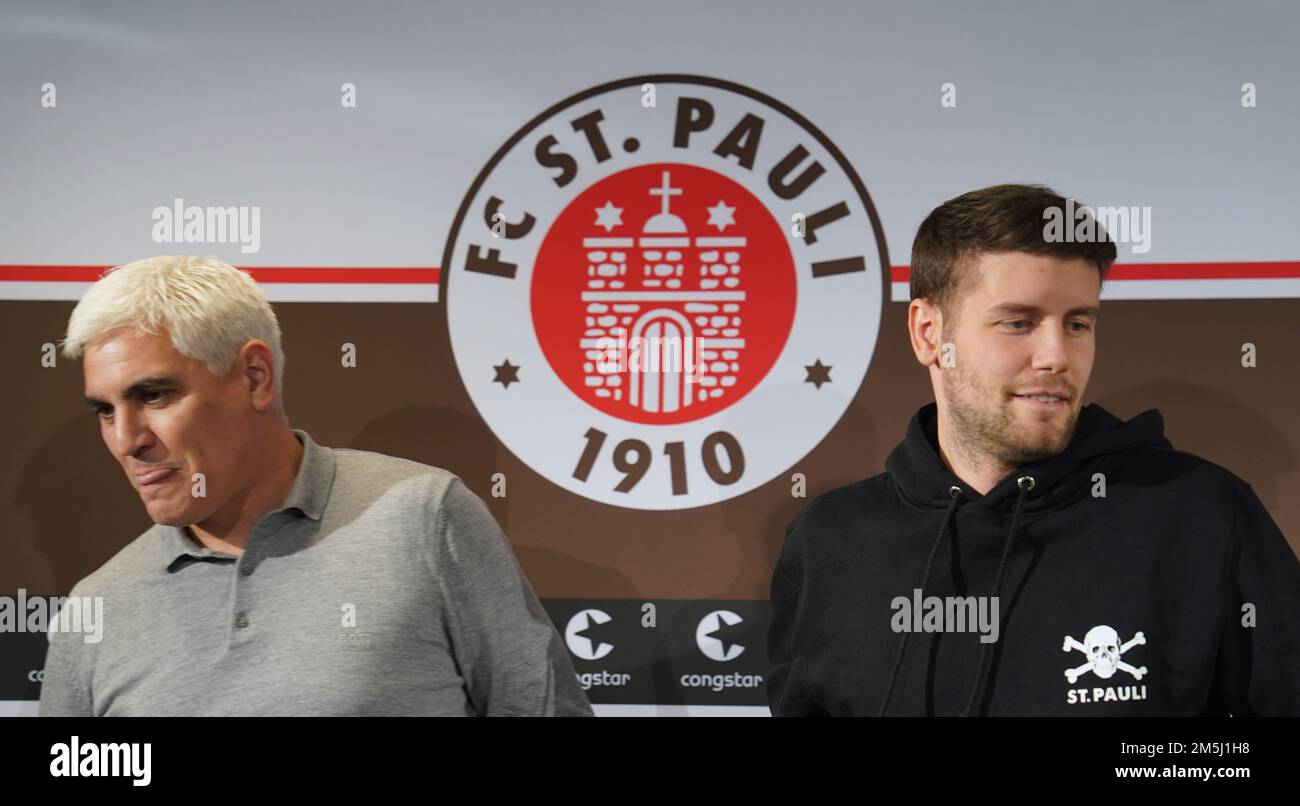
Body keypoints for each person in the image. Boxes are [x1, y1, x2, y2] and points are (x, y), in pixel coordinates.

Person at [767, 184, 1300, 716]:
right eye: (1018, 323)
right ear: (928, 332)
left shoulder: (1202, 514)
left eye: (1078, 324)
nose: (1056, 356)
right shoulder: (828, 541)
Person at [40, 255, 592, 716]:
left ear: (255, 377)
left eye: (154, 396)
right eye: (104, 411)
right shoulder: (98, 605)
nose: (125, 439)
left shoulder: (423, 518)